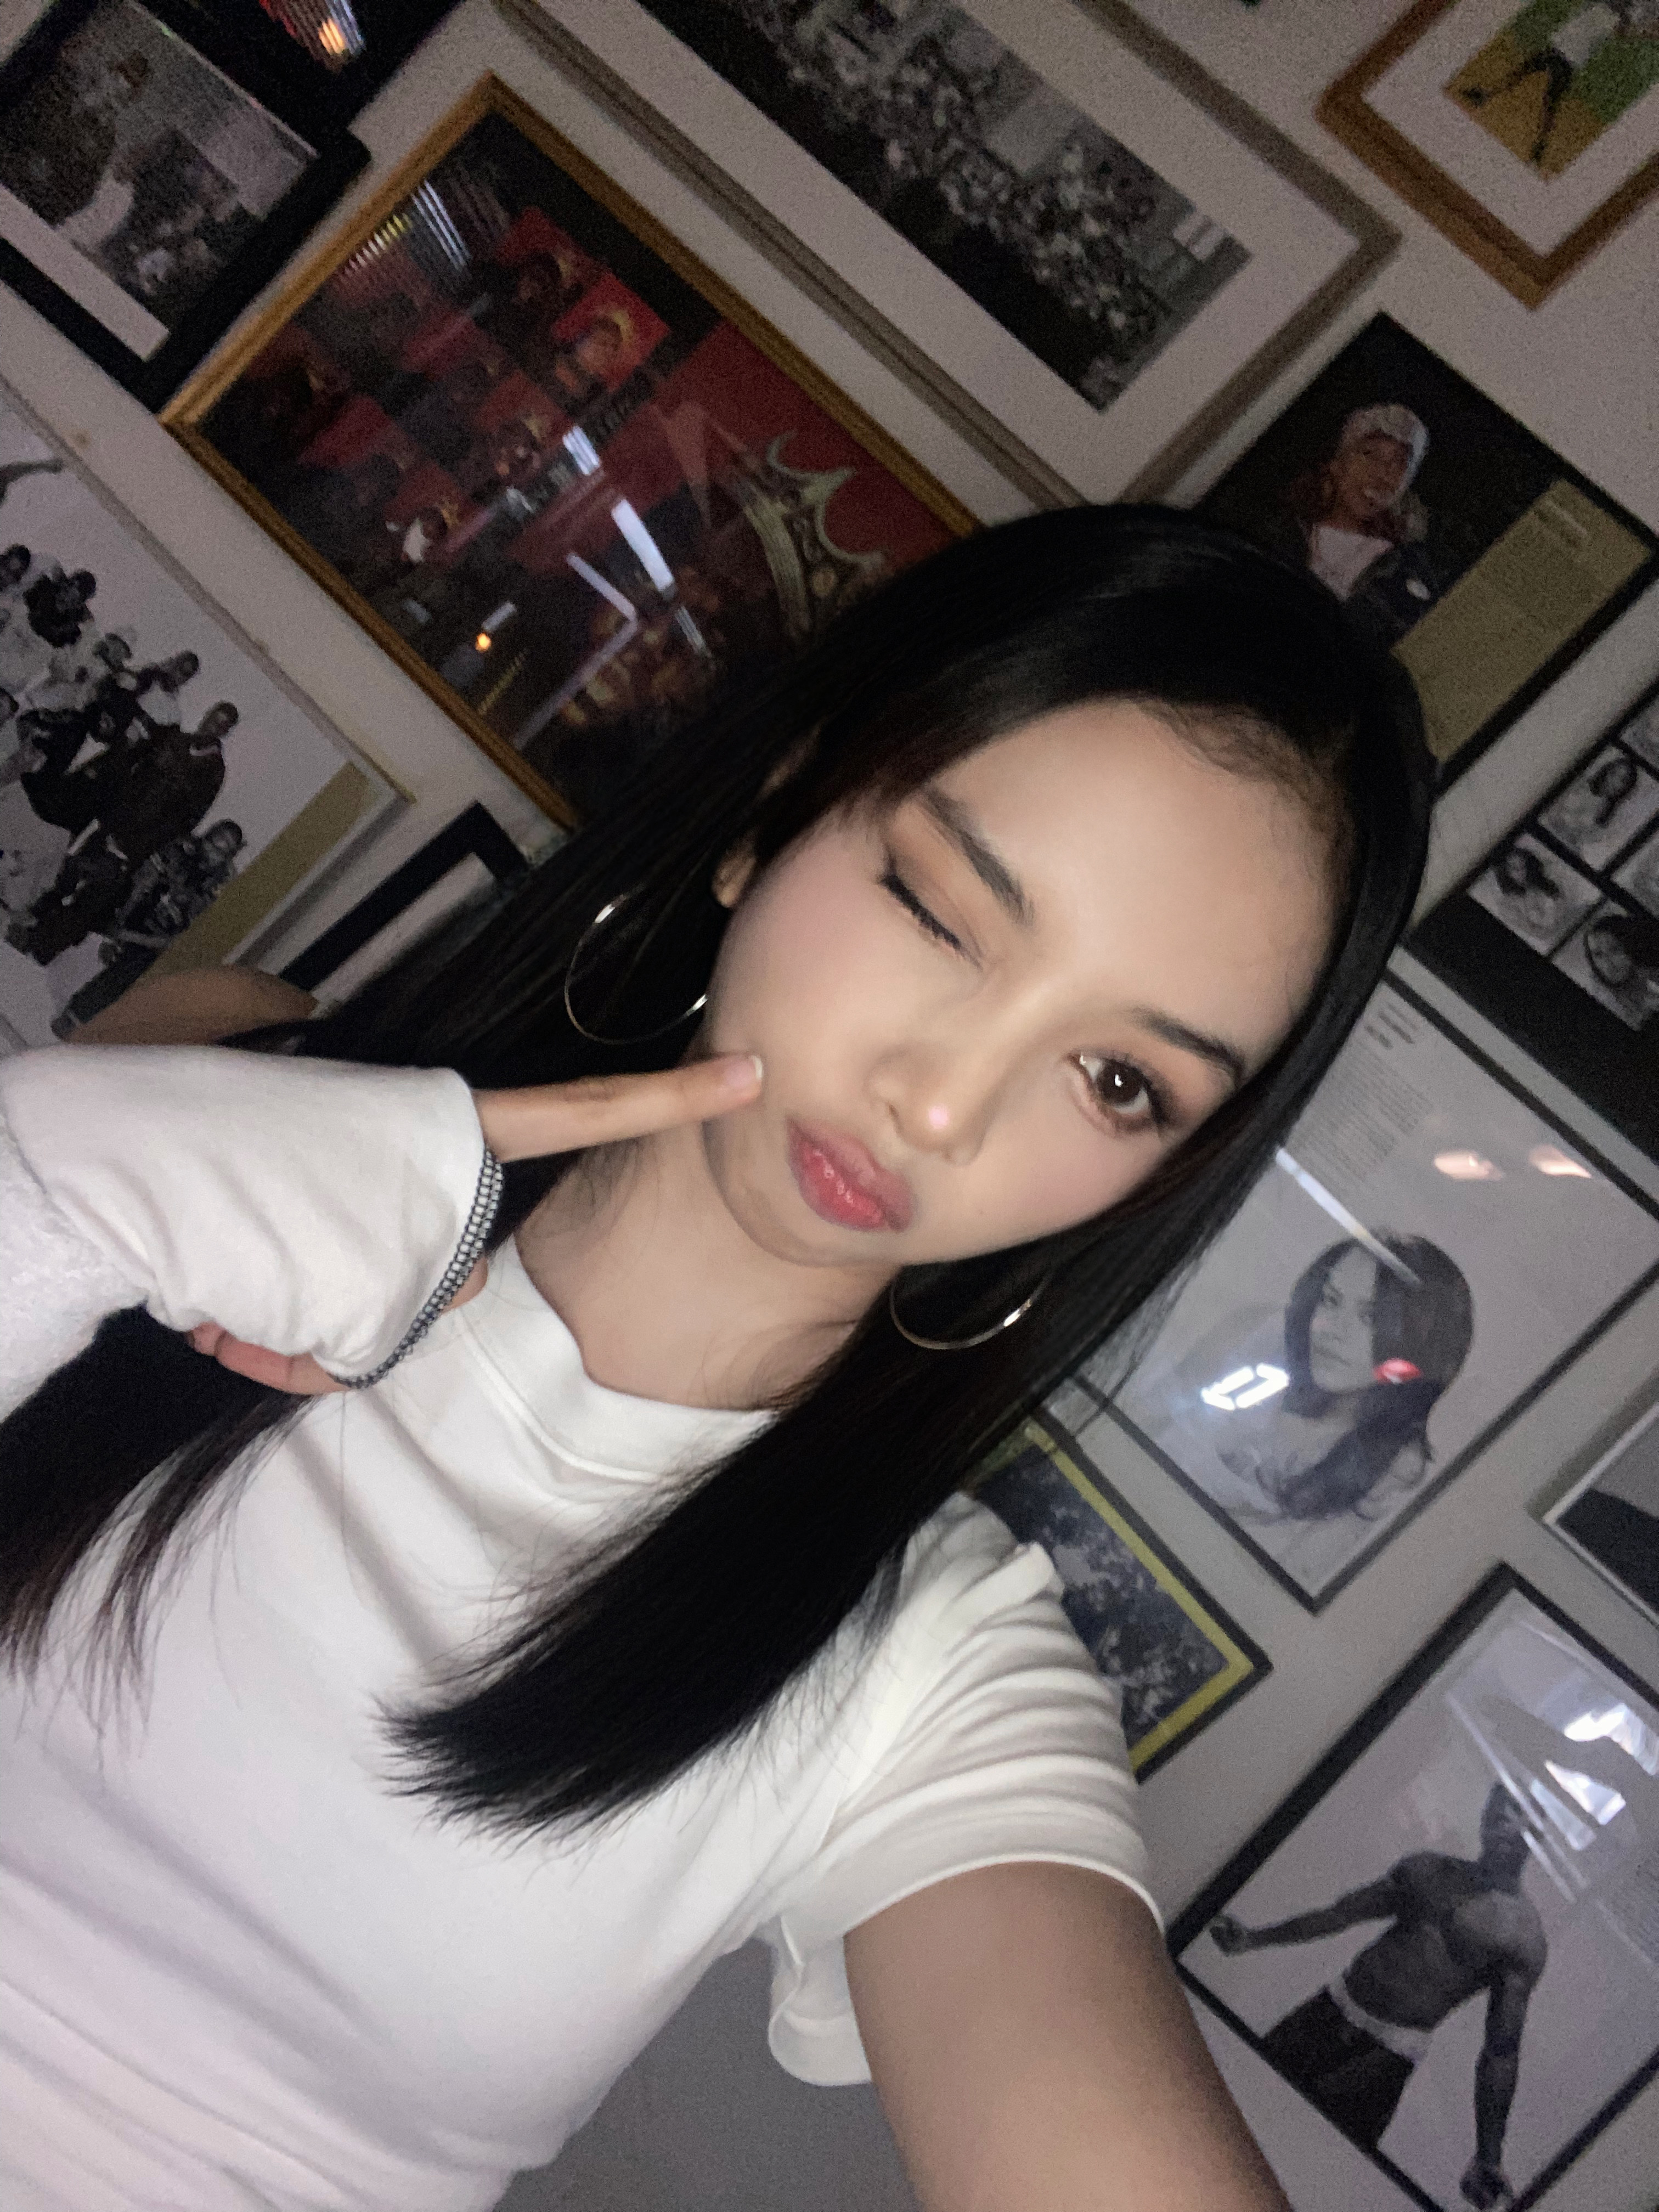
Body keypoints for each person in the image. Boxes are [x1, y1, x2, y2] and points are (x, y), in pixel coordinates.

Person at [0, 507, 1436, 2212]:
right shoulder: (218, 1091)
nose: (941, 1105)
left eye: (1121, 1081)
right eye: (944, 911)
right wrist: (59, 1187)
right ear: (779, 813)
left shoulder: (931, 1675)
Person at [1210, 1785, 1546, 2209]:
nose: (1503, 1824)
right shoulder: (1429, 1871)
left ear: (1539, 1832)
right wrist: (1254, 1939)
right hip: (1330, 2010)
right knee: (1229, 2112)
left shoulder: (1523, 1938)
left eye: (1516, 1815)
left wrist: (1489, 2155)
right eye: (1496, 1813)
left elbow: (1501, 2050)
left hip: (1385, 2056)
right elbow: (1340, 1915)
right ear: (1483, 1819)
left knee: (1304, 2164)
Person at [1262, 404, 1439, 649]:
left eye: (1399, 464)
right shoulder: (1281, 533)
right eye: (1370, 455)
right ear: (1338, 464)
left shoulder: (1404, 572)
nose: (1383, 475)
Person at [1459, 1, 1659, 171]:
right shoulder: (1609, 12)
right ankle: (1484, 96)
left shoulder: (1618, 20)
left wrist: (1643, 29)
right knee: (1523, 73)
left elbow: (1633, 28)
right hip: (1560, 46)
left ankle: (1539, 146)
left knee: (1549, 101)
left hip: (1570, 59)